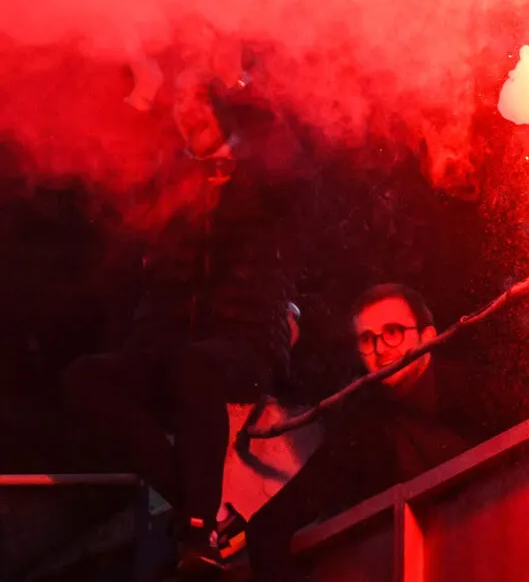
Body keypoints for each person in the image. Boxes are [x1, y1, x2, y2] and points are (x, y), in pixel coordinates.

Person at [61, 68, 300, 570]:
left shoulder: (263, 174)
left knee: (196, 366)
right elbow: (110, 183)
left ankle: (195, 528)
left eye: (199, 98)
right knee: (86, 377)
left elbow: (289, 151)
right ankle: (206, 513)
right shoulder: (165, 182)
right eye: (179, 101)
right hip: (164, 348)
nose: (187, 111)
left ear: (221, 104)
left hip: (245, 342)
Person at [244, 284, 477, 581]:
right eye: (367, 339)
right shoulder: (364, 426)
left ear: (428, 336)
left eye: (393, 332)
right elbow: (269, 525)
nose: (380, 350)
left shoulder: (477, 389)